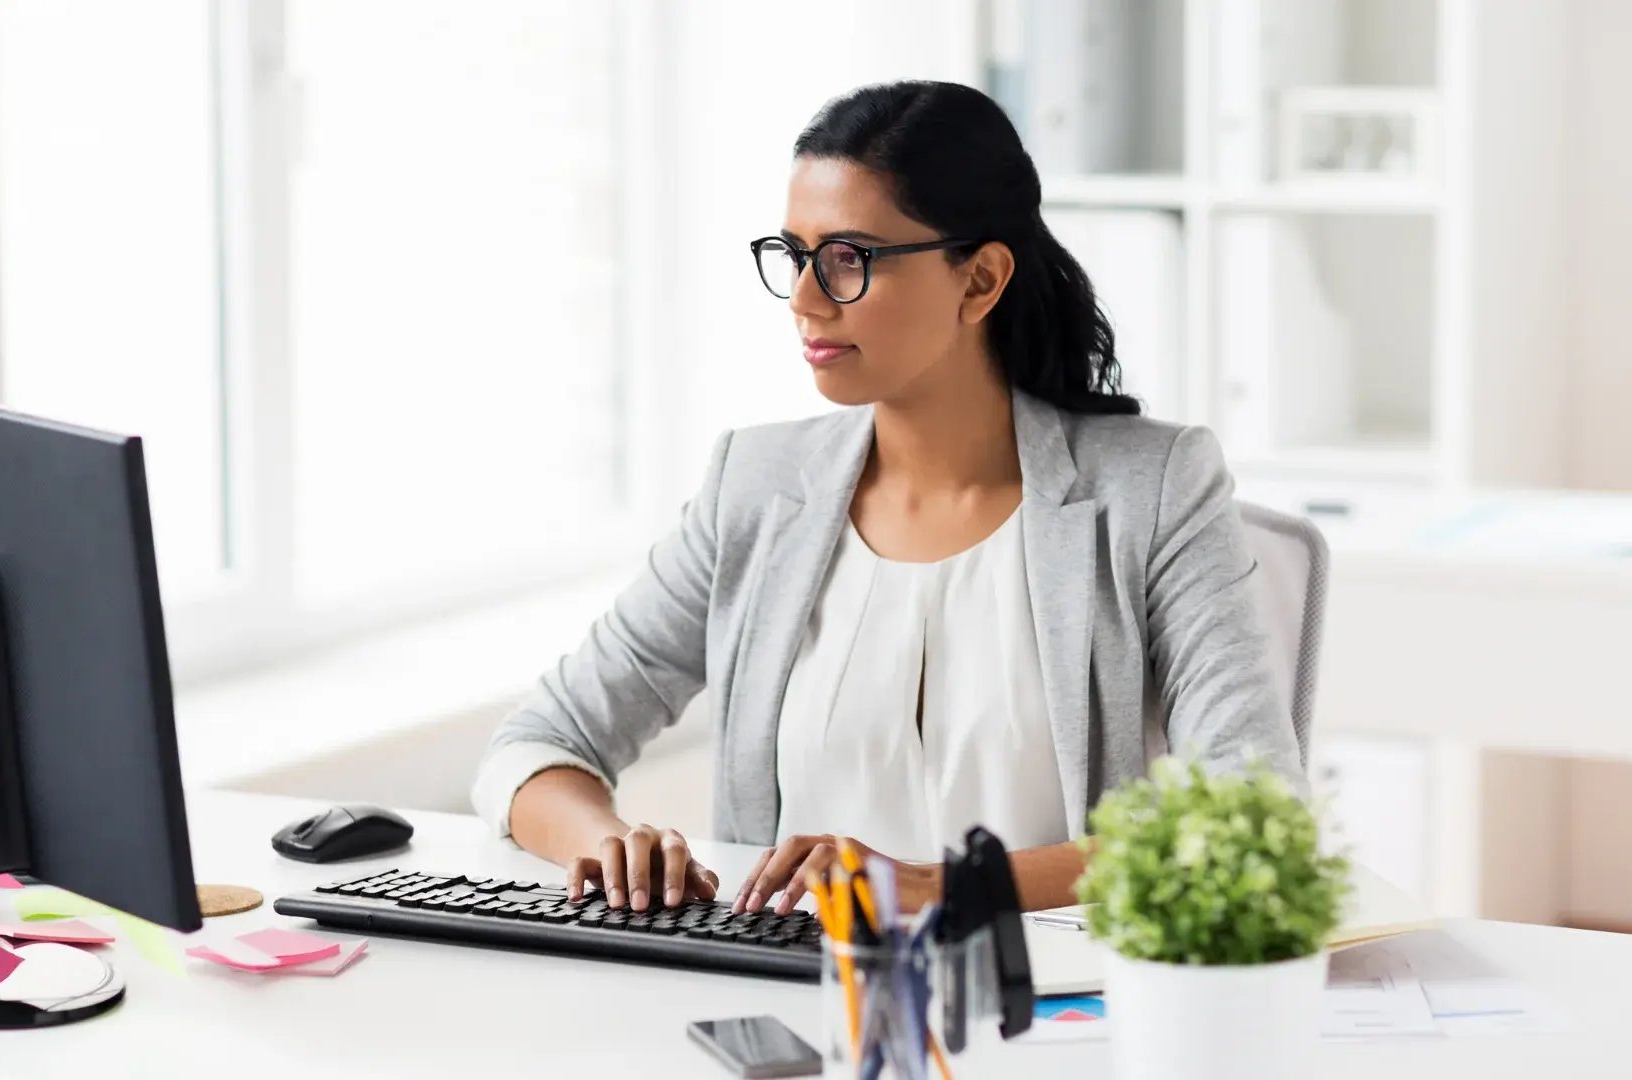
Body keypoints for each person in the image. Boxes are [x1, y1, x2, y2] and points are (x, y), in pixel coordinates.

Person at [470, 80, 1303, 919]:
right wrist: (605, 843)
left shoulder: (1152, 489)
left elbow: (1252, 814)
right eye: (793, 255)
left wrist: (943, 887)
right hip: (788, 1011)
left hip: (1052, 1013)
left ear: (979, 281)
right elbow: (540, 744)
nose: (802, 299)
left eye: (847, 259)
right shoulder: (757, 486)